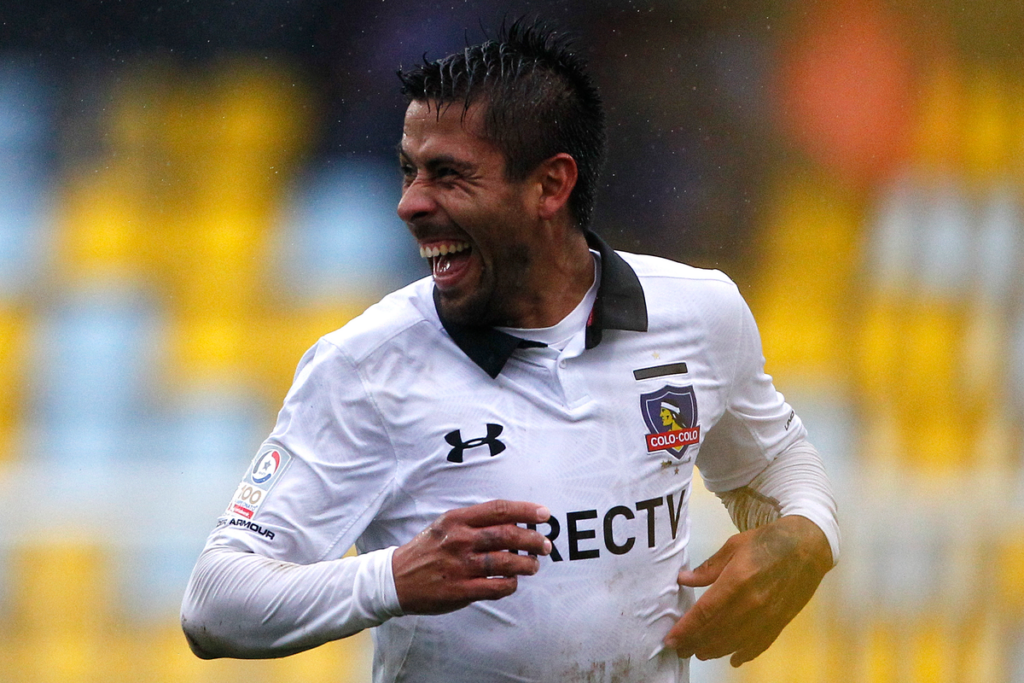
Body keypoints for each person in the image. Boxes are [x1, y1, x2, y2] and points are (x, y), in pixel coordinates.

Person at [181, 19, 839, 683]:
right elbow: (215, 601)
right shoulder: (366, 366)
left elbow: (776, 459)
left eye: (449, 176)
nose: (410, 204)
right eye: (409, 171)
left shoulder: (698, 314)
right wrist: (394, 579)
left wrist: (808, 533)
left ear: (551, 186)